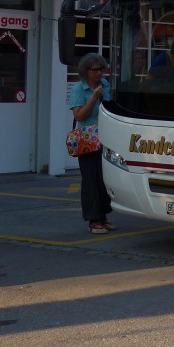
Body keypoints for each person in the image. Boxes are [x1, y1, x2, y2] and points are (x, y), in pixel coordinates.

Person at [69, 53, 116, 234]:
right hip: (87, 139)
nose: (99, 74)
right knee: (90, 179)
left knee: (104, 178)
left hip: (105, 136)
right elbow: (79, 116)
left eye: (101, 70)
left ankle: (103, 216)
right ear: (86, 71)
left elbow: (110, 107)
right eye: (95, 70)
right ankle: (93, 220)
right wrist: (94, 98)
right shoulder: (79, 89)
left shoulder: (104, 85)